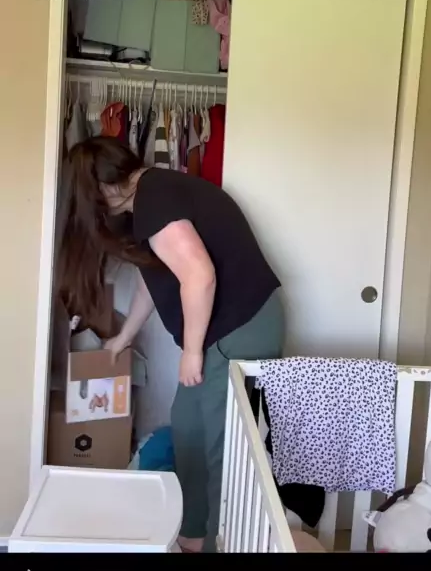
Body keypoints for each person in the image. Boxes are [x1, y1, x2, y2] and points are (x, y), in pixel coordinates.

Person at [59, 135, 284, 554]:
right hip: (222, 329)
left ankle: (220, 542)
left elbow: (198, 275)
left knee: (219, 443)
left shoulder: (156, 198)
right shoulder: (149, 199)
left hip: (239, 327)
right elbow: (157, 275)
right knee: (188, 424)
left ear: (102, 187)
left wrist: (192, 351)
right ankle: (194, 533)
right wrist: (124, 337)